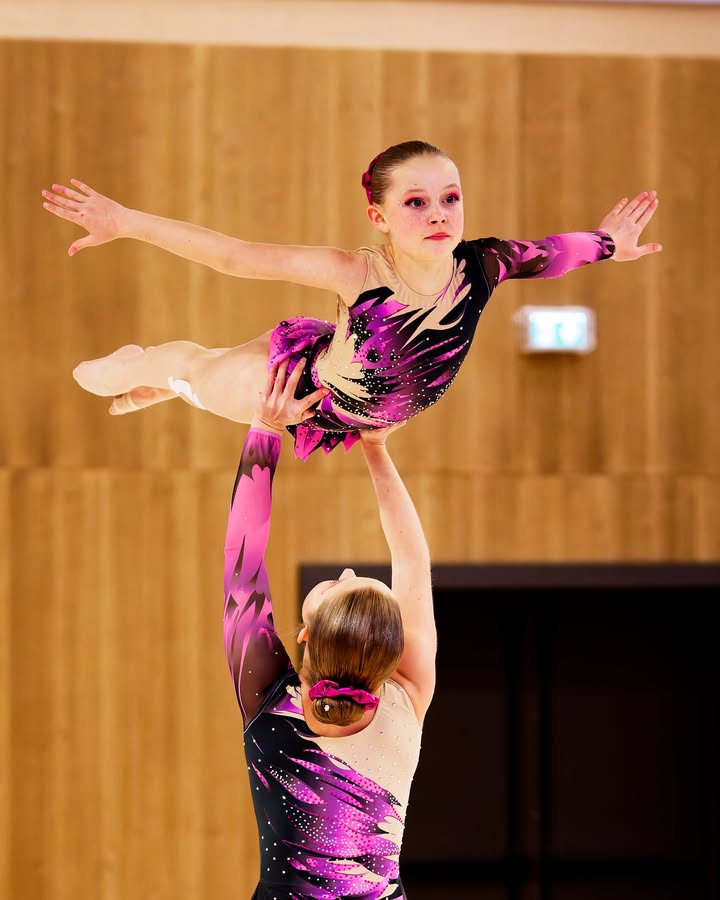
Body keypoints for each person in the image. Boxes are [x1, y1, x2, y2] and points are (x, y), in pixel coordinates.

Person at [41, 140, 662, 459]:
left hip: (342, 383)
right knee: (173, 367)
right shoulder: (356, 273)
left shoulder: (483, 263)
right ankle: (141, 368)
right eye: (415, 202)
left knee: (196, 376)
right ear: (379, 217)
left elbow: (554, 252)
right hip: (295, 392)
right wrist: (125, 222)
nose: (438, 213)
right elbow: (233, 256)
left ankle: (171, 384)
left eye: (450, 198)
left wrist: (610, 243)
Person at [225, 357, 433, 899]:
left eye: (339, 584)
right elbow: (412, 559)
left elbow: (245, 568)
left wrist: (268, 429)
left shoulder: (271, 703)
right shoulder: (406, 695)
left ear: (305, 635)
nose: (346, 571)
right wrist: (374, 448)